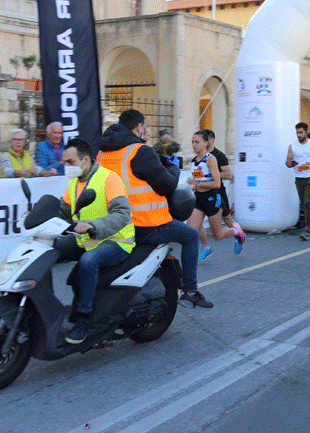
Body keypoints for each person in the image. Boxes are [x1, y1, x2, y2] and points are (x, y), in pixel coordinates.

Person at [98, 109, 224, 309]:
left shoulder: (102, 153)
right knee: (191, 236)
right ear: (139, 127)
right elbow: (167, 185)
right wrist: (173, 168)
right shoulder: (138, 151)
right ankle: (190, 291)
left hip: (111, 224)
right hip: (145, 224)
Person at [55, 138, 135, 344]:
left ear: (86, 160)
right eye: (64, 162)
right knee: (51, 249)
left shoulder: (109, 179)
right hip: (87, 240)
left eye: (70, 162)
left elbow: (122, 213)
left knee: (88, 261)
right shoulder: (74, 182)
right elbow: (62, 211)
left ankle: (84, 319)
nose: (66, 167)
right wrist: (37, 214)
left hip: (116, 241)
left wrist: (94, 226)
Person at [186, 130, 245, 256]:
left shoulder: (211, 159)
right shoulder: (193, 160)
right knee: (190, 232)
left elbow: (217, 184)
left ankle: (236, 231)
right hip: (198, 198)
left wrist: (197, 184)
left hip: (212, 198)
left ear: (206, 143)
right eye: (192, 142)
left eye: (197, 142)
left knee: (217, 235)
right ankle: (202, 251)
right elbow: (198, 179)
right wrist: (192, 187)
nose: (194, 145)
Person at [195, 129, 236, 260]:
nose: (196, 144)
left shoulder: (219, 156)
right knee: (196, 222)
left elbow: (229, 175)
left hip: (217, 193)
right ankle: (207, 247)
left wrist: (211, 176)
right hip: (200, 194)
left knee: (227, 219)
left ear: (210, 140)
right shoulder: (198, 157)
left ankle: (238, 234)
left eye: (198, 141)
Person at [286, 122, 310, 241]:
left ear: (306, 132)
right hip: (299, 177)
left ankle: (307, 230)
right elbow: (287, 162)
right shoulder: (292, 146)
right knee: (304, 202)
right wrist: (292, 164)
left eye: (301, 132)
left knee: (306, 203)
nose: (299, 135)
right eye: (297, 133)